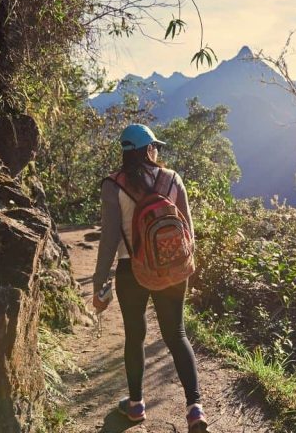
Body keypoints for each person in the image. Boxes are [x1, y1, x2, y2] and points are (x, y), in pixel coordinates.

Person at [92, 123, 208, 432]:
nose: (156, 150)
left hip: (132, 270)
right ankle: (195, 409)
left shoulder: (113, 185)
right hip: (172, 267)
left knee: (135, 335)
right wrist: (185, 267)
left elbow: (109, 239)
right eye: (154, 146)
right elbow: (188, 231)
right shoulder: (172, 179)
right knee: (177, 334)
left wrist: (99, 282)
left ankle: (135, 406)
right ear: (148, 149)